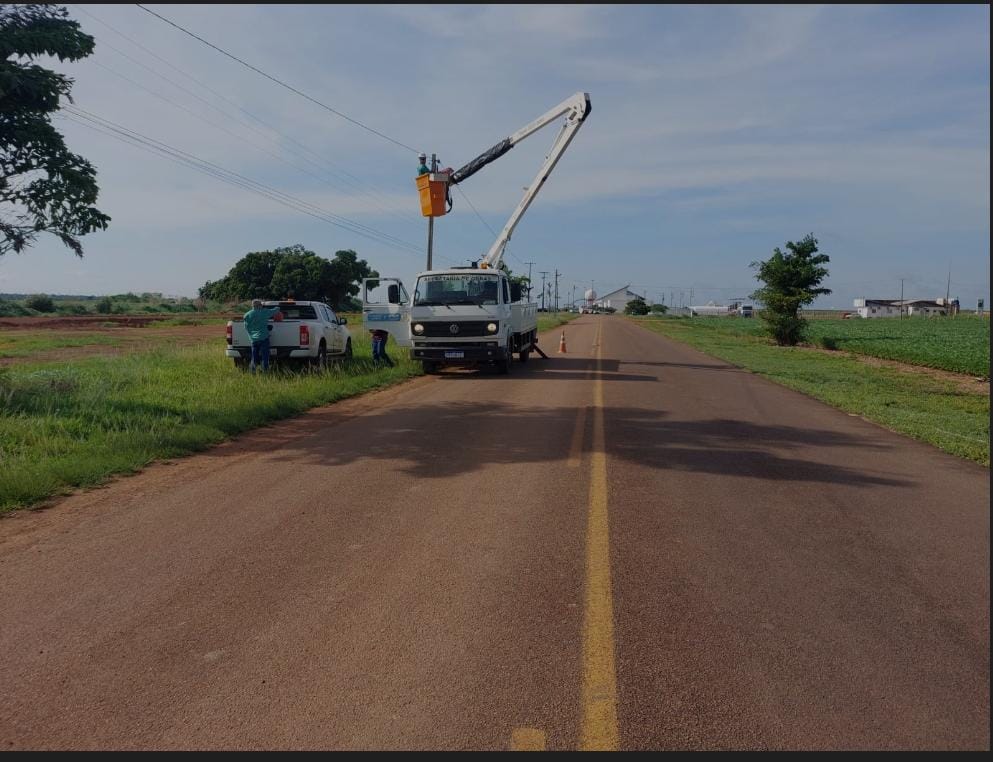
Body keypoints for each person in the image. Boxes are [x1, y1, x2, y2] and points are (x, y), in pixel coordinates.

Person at [243, 299, 282, 373]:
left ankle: (252, 372)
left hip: (253, 340)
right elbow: (275, 310)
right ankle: (265, 372)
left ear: (252, 306)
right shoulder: (264, 312)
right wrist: (278, 306)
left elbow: (246, 327)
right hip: (264, 338)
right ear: (259, 305)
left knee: (254, 357)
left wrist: (251, 336)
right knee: (265, 357)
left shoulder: (247, 315)